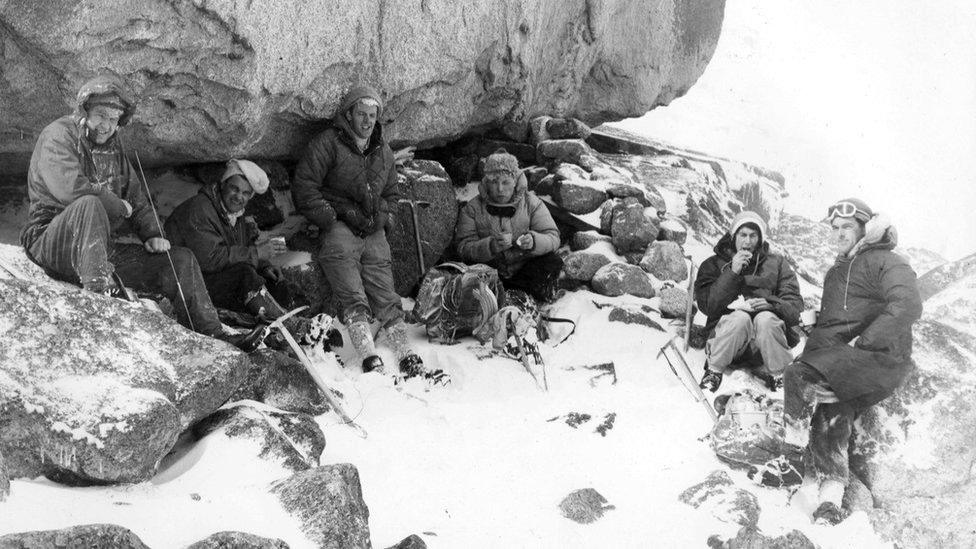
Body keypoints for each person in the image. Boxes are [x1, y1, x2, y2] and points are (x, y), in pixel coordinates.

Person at [19, 74, 265, 351]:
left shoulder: (113, 148)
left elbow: (135, 197)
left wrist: (152, 232)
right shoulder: (58, 135)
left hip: (98, 250)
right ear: (84, 110)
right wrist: (114, 204)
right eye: (101, 115)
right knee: (89, 205)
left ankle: (214, 334)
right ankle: (100, 301)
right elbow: (71, 190)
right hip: (51, 241)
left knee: (180, 259)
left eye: (114, 120)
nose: (106, 126)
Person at [292, 85, 447, 384]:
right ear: (348, 114)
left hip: (371, 225)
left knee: (384, 287)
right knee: (349, 285)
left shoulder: (382, 150)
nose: (366, 121)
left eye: (372, 115)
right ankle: (367, 353)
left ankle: (404, 351)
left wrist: (383, 219)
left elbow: (391, 191)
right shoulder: (328, 143)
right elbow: (305, 186)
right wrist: (331, 217)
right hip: (339, 223)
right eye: (361, 114)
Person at [783, 199, 921, 525]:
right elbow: (846, 320)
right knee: (833, 411)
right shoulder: (839, 269)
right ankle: (830, 501)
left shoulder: (885, 260)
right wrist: (816, 324)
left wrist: (866, 342)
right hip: (851, 362)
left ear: (865, 227)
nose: (839, 233)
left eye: (847, 226)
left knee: (797, 375)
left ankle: (786, 462)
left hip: (878, 359)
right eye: (835, 228)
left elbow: (909, 302)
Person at [164, 159, 329, 344]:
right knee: (244, 275)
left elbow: (242, 247)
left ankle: (286, 331)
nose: (239, 197)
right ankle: (292, 327)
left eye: (245, 193)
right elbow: (209, 259)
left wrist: (263, 265)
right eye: (234, 189)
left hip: (213, 279)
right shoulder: (200, 209)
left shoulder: (234, 213)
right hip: (189, 285)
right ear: (222, 185)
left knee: (274, 281)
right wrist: (256, 255)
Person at [694, 211, 802, 392]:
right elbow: (708, 306)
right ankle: (714, 372)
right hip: (726, 344)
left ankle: (780, 377)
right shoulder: (712, 265)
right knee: (740, 318)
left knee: (766, 318)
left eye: (753, 236)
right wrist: (732, 272)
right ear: (733, 236)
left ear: (760, 239)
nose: (747, 241)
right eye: (742, 235)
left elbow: (795, 306)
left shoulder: (778, 264)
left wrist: (772, 305)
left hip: (765, 349)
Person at [454, 149, 562, 303]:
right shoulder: (473, 208)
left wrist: (534, 241)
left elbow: (553, 237)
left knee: (553, 261)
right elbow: (462, 247)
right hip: (490, 275)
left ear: (515, 181)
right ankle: (501, 298)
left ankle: (525, 298)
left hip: (524, 272)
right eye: (494, 182)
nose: (499, 189)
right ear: (486, 182)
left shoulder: (532, 203)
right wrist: (490, 246)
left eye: (505, 182)